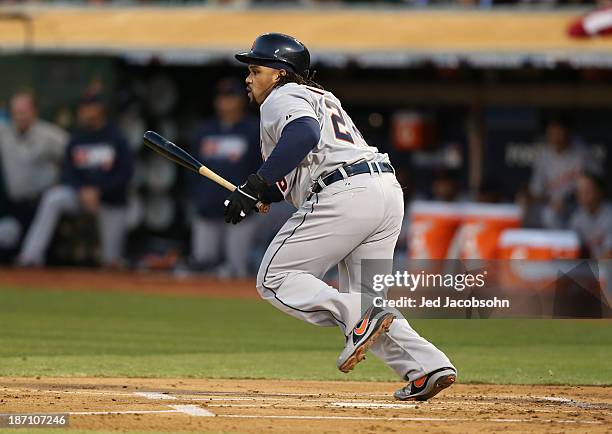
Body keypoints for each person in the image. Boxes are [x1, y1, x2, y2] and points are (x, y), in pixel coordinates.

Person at [223, 33, 456, 401]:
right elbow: (288, 180)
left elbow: (304, 134)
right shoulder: (322, 97)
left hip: (346, 194)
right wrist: (255, 194)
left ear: (281, 73)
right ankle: (427, 366)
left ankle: (355, 313)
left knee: (274, 278)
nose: (248, 79)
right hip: (383, 191)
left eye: (255, 69)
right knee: (368, 303)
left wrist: (255, 182)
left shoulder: (280, 98)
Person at [17, 94, 133, 267]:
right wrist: (81, 190)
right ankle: (30, 256)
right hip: (80, 196)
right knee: (53, 198)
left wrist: (100, 191)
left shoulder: (116, 137)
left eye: (88, 108)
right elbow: (67, 171)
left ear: (99, 109)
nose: (84, 112)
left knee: (112, 260)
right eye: (83, 108)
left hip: (110, 199)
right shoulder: (77, 137)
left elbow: (125, 173)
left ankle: (112, 266)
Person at [189, 78, 261, 277]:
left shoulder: (253, 129)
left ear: (241, 100)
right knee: (202, 266)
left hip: (240, 208)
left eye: (230, 97)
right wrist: (198, 196)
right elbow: (192, 169)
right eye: (221, 98)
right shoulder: (205, 130)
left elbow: (261, 168)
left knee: (236, 269)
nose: (225, 102)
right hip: (207, 208)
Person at [0, 90, 68, 256]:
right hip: (14, 207)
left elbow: (74, 155)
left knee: (39, 255)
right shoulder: (4, 133)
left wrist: (65, 180)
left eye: (24, 112)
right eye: (16, 112)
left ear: (34, 112)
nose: (20, 116)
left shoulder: (50, 134)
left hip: (41, 204)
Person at [529, 116, 594, 229]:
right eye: (551, 132)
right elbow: (536, 191)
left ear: (567, 132)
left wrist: (569, 200)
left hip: (578, 205)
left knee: (582, 219)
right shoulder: (543, 158)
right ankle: (557, 246)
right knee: (548, 215)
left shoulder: (582, 154)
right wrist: (551, 201)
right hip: (552, 206)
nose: (555, 136)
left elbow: (596, 184)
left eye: (558, 132)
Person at [570, 172, 612, 259]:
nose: (583, 195)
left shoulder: (609, 215)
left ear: (599, 191)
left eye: (588, 191)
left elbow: (609, 254)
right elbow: (572, 249)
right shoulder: (577, 217)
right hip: (591, 268)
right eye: (580, 191)